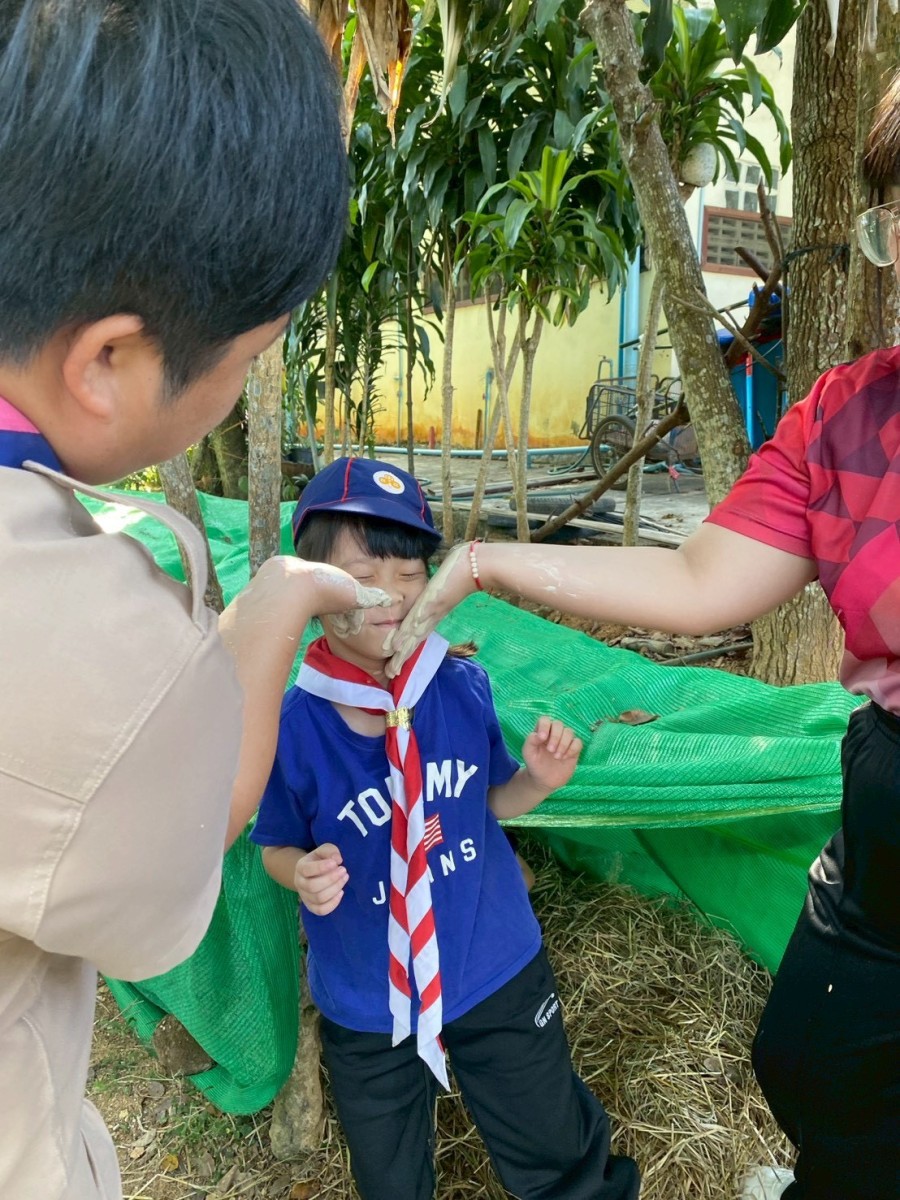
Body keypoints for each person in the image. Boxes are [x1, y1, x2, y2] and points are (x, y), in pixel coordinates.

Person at [386, 71, 900, 1200]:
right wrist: (482, 561)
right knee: (808, 1056)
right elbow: (699, 573)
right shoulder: (848, 414)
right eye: (899, 225)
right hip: (889, 780)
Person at [0, 4, 394, 1197]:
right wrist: (279, 598)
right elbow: (193, 815)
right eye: (247, 358)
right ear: (108, 361)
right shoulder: (75, 635)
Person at [250, 457, 640, 1200]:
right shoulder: (289, 726)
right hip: (368, 995)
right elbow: (273, 844)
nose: (394, 596)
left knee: (557, 1144)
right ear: (314, 589)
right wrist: (298, 871)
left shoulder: (459, 685)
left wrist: (537, 782)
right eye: (364, 575)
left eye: (411, 573)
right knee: (389, 1176)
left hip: (493, 963)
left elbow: (486, 802)